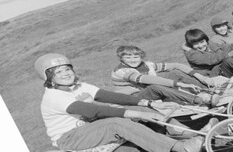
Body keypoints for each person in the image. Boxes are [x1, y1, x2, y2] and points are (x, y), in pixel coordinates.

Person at [35, 53, 215, 152]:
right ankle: (182, 148)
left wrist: (148, 104)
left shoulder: (80, 86)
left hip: (93, 128)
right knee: (117, 122)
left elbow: (110, 97)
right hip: (71, 137)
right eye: (58, 72)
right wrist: (139, 113)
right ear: (48, 77)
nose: (66, 74)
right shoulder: (54, 97)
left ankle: (187, 134)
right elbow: (95, 111)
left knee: (134, 115)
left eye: (67, 69)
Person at [111, 45, 219, 106]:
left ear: (141, 57)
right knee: (155, 87)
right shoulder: (121, 70)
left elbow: (176, 65)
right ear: (121, 59)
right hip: (134, 97)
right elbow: (147, 79)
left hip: (149, 89)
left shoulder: (146, 65)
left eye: (136, 57)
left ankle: (209, 90)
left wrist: (202, 77)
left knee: (174, 73)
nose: (133, 60)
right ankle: (198, 100)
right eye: (128, 57)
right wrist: (181, 84)